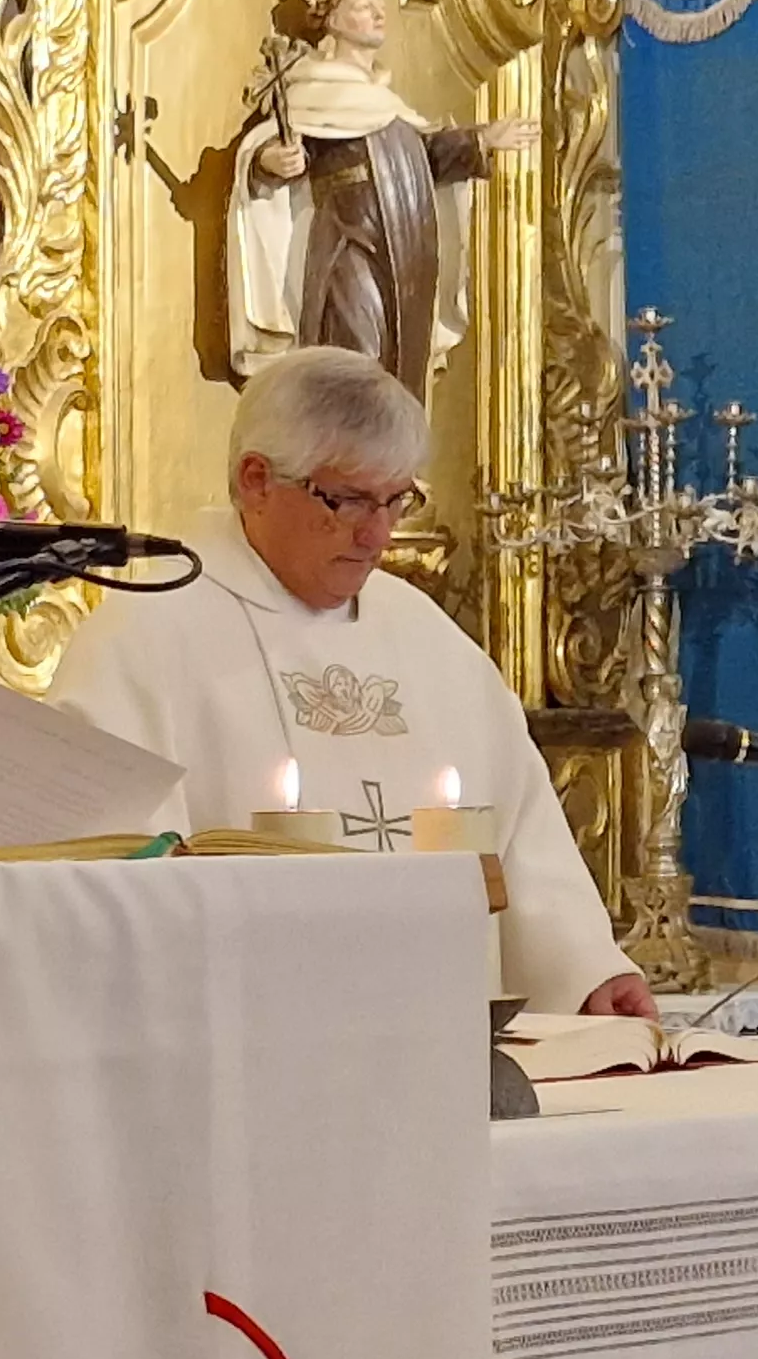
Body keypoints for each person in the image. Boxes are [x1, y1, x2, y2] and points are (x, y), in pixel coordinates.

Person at [50, 347, 655, 1019]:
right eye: (348, 500)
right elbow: (114, 872)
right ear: (256, 480)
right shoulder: (144, 637)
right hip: (244, 1042)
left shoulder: (426, 637)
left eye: (397, 499)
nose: (377, 534)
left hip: (443, 1040)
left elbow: (524, 831)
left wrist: (586, 972)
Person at [227, 0, 538, 398]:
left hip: (404, 246)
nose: (378, 15)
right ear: (333, 19)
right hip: (348, 243)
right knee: (359, 357)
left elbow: (424, 154)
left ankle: (384, 460)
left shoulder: (385, 101)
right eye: (362, 7)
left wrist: (481, 139)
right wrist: (271, 161)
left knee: (397, 368)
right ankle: (347, 459)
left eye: (381, 7)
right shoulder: (311, 88)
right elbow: (272, 147)